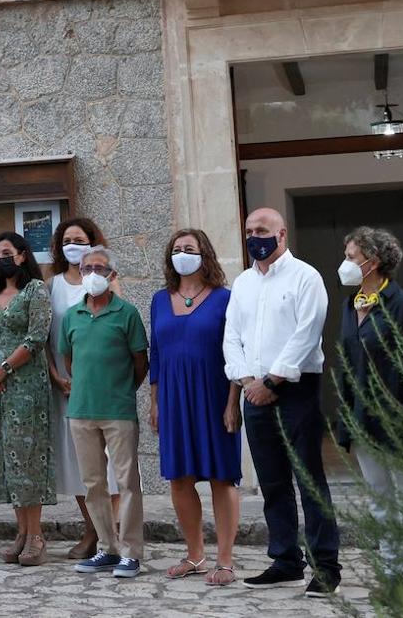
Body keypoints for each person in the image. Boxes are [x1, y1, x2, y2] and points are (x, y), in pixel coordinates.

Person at [223, 208, 340, 597]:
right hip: (253, 389)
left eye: (262, 230)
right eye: (249, 231)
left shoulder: (306, 277)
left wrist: (273, 379)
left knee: (308, 479)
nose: (255, 236)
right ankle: (285, 559)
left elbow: (308, 333)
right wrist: (246, 379)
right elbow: (231, 336)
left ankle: (326, 566)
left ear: (282, 234)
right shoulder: (242, 283)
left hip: (296, 388)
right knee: (272, 481)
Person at [149, 229, 241, 586]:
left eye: (189, 248)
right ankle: (195, 555)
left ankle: (226, 560)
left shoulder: (224, 299)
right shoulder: (160, 299)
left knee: (222, 476)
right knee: (179, 478)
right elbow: (155, 352)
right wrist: (155, 401)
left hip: (215, 396)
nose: (182, 253)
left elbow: (235, 351)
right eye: (177, 249)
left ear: (205, 255)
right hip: (173, 397)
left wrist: (233, 403)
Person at [332, 226, 403, 569]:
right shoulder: (349, 304)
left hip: (396, 415)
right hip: (361, 417)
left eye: (351, 257)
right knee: (378, 495)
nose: (345, 263)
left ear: (372, 262)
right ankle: (390, 566)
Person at [61, 246, 149, 578]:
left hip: (118, 411)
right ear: (80, 273)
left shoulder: (127, 314)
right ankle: (107, 548)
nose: (93, 274)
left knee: (127, 482)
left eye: (100, 268)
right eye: (87, 268)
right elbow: (69, 361)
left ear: (112, 275)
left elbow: (140, 363)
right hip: (81, 410)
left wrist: (122, 390)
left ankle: (131, 552)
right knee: (93, 483)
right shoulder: (72, 316)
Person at [0, 231, 56, 567]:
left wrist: (4, 368)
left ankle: (36, 534)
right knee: (6, 460)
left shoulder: (35, 290)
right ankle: (20, 531)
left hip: (25, 388)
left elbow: (37, 337)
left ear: (22, 255)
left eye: (6, 252)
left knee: (27, 458)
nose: (1, 257)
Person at [46, 216, 119, 560]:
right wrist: (54, 375)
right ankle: (92, 529)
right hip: (67, 387)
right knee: (78, 463)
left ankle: (112, 534)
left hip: (102, 386)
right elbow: (45, 338)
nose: (73, 245)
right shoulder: (53, 284)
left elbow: (120, 329)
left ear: (93, 242)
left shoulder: (106, 282)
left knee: (107, 463)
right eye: (67, 240)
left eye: (80, 239)